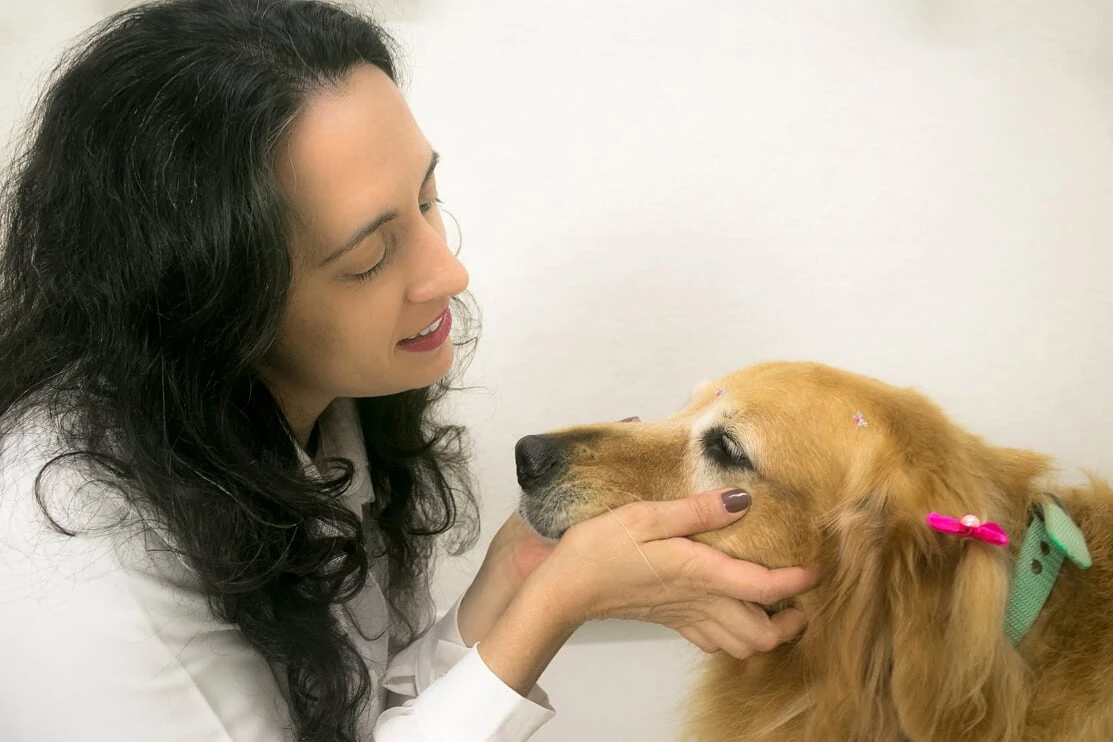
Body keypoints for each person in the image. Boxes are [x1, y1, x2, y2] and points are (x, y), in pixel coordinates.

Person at [0, 1, 818, 740]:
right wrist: (555, 605)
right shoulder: (75, 554)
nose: (448, 274)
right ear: (210, 299)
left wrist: (520, 571)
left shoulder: (326, 410)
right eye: (368, 257)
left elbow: (361, 715)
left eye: (427, 199)